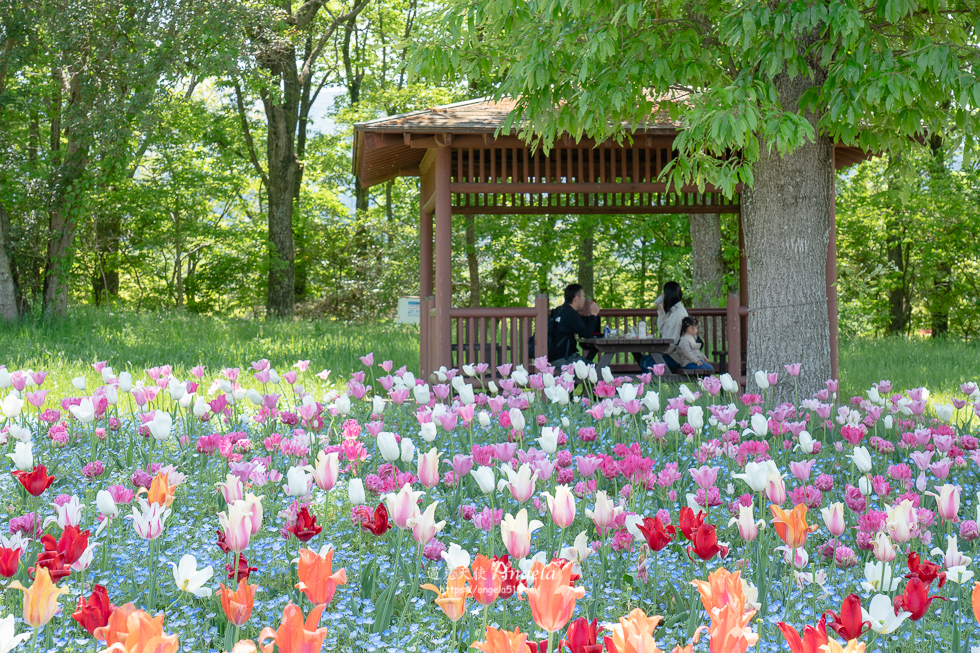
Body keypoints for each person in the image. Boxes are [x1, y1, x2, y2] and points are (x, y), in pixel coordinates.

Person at [640, 281, 688, 371]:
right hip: (671, 353)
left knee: (648, 363)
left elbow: (673, 343)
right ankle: (648, 385)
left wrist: (658, 350)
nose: (662, 296)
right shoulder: (673, 311)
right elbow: (663, 330)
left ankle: (653, 385)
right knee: (643, 360)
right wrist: (661, 312)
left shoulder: (678, 314)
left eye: (664, 293)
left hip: (677, 357)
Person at [548, 283, 600, 365]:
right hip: (565, 359)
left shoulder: (560, 310)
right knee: (599, 370)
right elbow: (586, 333)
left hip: (555, 357)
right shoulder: (570, 313)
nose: (584, 298)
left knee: (594, 368)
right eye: (583, 296)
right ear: (576, 298)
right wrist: (593, 315)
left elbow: (582, 329)